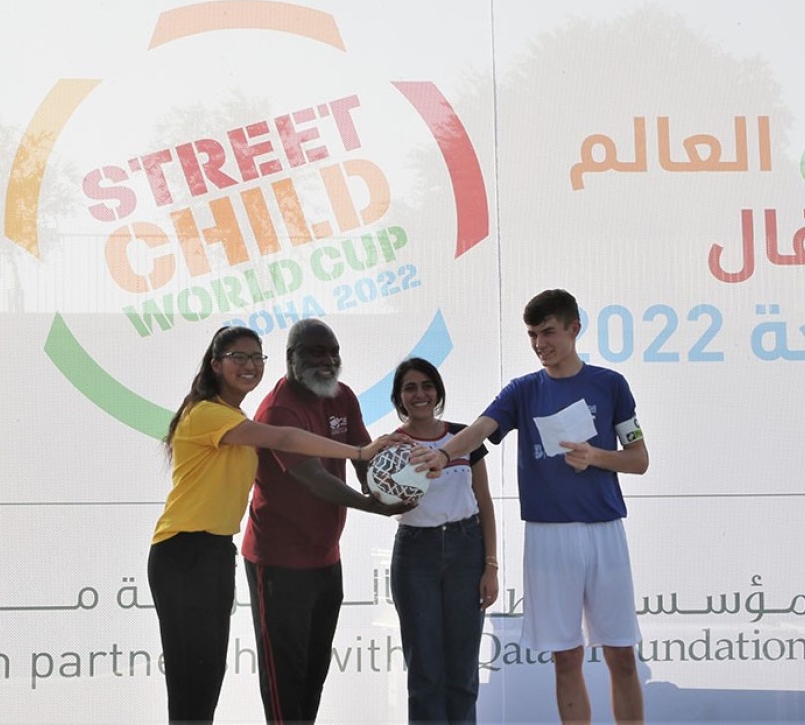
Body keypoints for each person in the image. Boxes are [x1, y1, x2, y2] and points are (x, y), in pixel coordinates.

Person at [414, 289, 649, 725]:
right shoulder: (523, 390)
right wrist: (445, 454)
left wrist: (596, 456)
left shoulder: (610, 384)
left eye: (548, 332)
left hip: (604, 530)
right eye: (532, 335)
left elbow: (639, 460)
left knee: (621, 653)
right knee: (566, 657)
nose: (540, 344)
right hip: (548, 535)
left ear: (574, 329)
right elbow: (481, 428)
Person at [147, 324, 399, 724]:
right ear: (215, 364)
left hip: (217, 551)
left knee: (207, 678)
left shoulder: (235, 416)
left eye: (254, 357)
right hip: (185, 551)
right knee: (192, 682)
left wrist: (387, 481)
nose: (249, 365)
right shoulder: (211, 414)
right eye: (238, 357)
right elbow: (287, 441)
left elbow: (324, 448)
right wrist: (360, 459)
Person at [241, 318, 408, 724]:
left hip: (325, 557)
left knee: (314, 672)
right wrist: (373, 506)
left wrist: (391, 487)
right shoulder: (278, 410)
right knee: (285, 677)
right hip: (278, 561)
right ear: (291, 358)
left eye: (333, 352)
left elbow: (363, 455)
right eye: (317, 352)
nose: (329, 361)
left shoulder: (341, 396)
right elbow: (314, 478)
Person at [388, 357, 498, 724]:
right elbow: (382, 500)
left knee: (463, 669)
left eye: (427, 386)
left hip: (467, 549)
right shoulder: (392, 445)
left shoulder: (463, 437)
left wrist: (491, 566)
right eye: (410, 388)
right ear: (399, 398)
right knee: (424, 671)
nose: (420, 394)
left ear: (438, 392)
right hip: (415, 553)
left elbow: (484, 503)